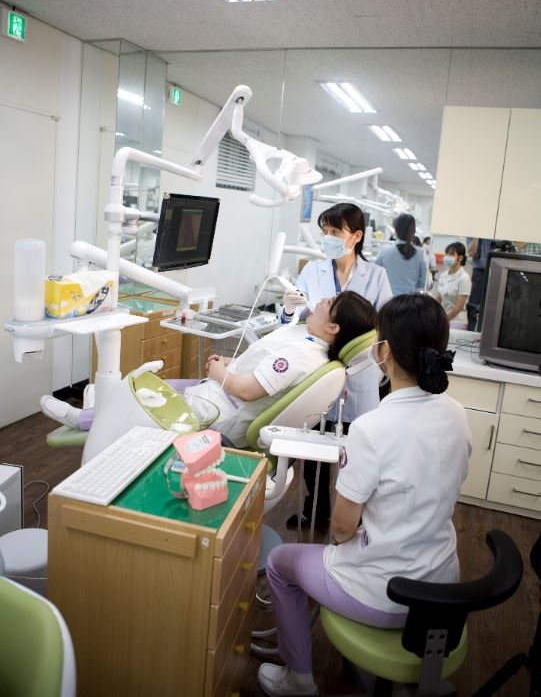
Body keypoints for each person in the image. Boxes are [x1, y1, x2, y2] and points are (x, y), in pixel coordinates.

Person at [257, 294, 472, 697]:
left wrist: (358, 533)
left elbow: (341, 530)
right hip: (441, 589)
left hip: (384, 595)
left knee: (280, 563)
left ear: (383, 351)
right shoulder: (457, 414)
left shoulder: (371, 429)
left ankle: (298, 680)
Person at [40, 291, 377, 449]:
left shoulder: (302, 356)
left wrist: (219, 372)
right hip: (217, 394)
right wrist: (230, 364)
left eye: (329, 303)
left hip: (220, 412)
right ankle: (99, 405)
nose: (321, 300)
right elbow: (263, 366)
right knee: (152, 384)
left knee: (140, 400)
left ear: (333, 328)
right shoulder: (308, 340)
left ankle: (82, 417)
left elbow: (247, 391)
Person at [280, 202, 392, 527]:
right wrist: (288, 310)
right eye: (325, 231)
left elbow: (385, 327)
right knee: (313, 450)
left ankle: (352, 518)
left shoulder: (376, 276)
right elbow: (292, 322)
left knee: (355, 453)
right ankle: (316, 511)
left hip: (360, 374)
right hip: (318, 373)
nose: (328, 237)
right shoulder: (312, 271)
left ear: (356, 236)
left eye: (335, 231)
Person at [374, 212, 427, 295]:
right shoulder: (421, 253)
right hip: (409, 299)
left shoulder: (385, 250)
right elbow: (423, 282)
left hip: (388, 298)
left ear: (396, 230)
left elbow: (375, 275)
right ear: (413, 231)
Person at [432, 242, 471, 329]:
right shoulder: (443, 275)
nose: (447, 257)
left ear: (460, 258)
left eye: (451, 254)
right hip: (443, 317)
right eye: (447, 254)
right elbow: (438, 299)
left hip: (457, 321)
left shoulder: (464, 278)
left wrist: (444, 320)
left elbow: (459, 307)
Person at [465, 237, 493, 331]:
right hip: (480, 271)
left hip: (497, 269)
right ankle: (471, 331)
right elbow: (471, 252)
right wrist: (477, 236)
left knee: (494, 304)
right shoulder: (474, 233)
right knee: (474, 305)